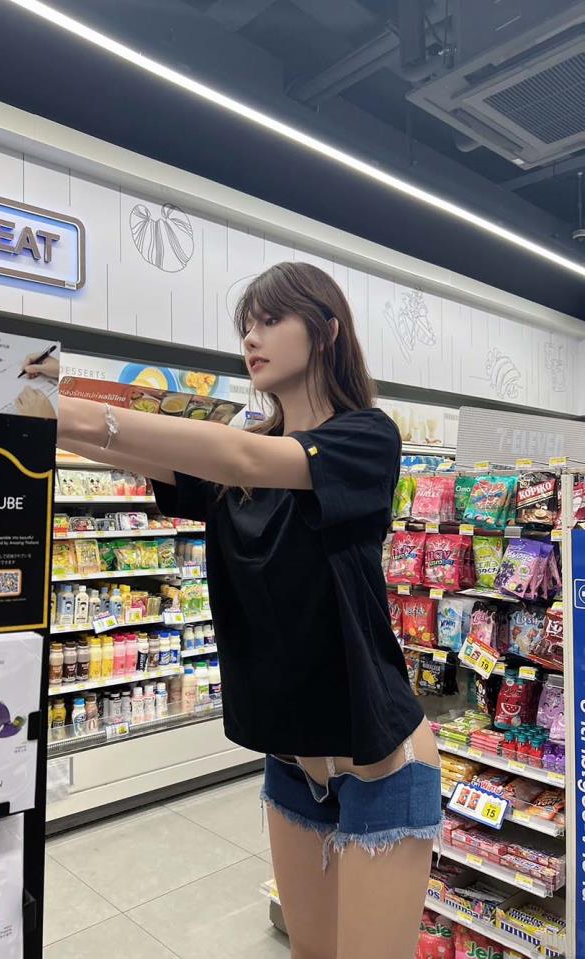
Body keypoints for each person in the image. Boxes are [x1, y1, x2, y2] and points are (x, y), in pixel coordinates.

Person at [57, 262, 441, 959]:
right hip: (292, 761)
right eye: (245, 326)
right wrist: (29, 409)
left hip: (380, 755)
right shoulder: (244, 457)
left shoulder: (366, 437)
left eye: (269, 320)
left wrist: (79, 412)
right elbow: (153, 452)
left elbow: (241, 457)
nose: (250, 338)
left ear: (326, 330)